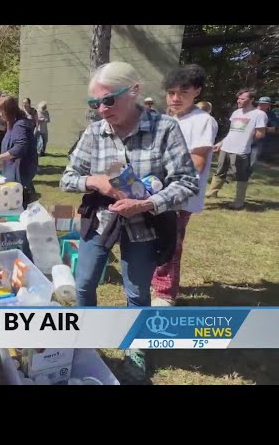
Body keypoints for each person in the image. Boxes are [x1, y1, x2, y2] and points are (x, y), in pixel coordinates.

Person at [61, 61, 198, 381]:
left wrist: (148, 203)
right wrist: (96, 183)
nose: (101, 110)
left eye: (108, 100)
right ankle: (88, 339)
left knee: (136, 292)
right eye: (94, 103)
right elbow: (69, 177)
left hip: (146, 223)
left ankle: (136, 346)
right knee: (83, 283)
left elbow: (187, 183)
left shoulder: (165, 128)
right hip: (101, 220)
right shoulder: (95, 132)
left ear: (134, 91)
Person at [151, 65, 218, 306]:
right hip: (157, 194)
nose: (175, 98)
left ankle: (165, 294)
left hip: (180, 196)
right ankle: (155, 281)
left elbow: (197, 164)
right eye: (171, 93)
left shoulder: (203, 121)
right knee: (154, 240)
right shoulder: (167, 119)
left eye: (183, 92)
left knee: (171, 243)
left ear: (197, 91)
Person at [207, 88, 268, 209]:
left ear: (251, 99)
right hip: (226, 147)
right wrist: (221, 143)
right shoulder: (236, 112)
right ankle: (212, 192)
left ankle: (239, 202)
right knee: (220, 170)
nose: (239, 100)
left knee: (241, 175)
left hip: (241, 150)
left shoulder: (259, 114)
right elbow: (232, 131)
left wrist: (246, 141)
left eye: (242, 98)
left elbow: (261, 133)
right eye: (238, 98)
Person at [0, 96, 39, 208]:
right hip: (13, 171)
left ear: (9, 111)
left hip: (21, 173)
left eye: (2, 111)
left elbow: (19, 148)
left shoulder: (19, 125)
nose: (0, 114)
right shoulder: (12, 123)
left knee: (20, 206)